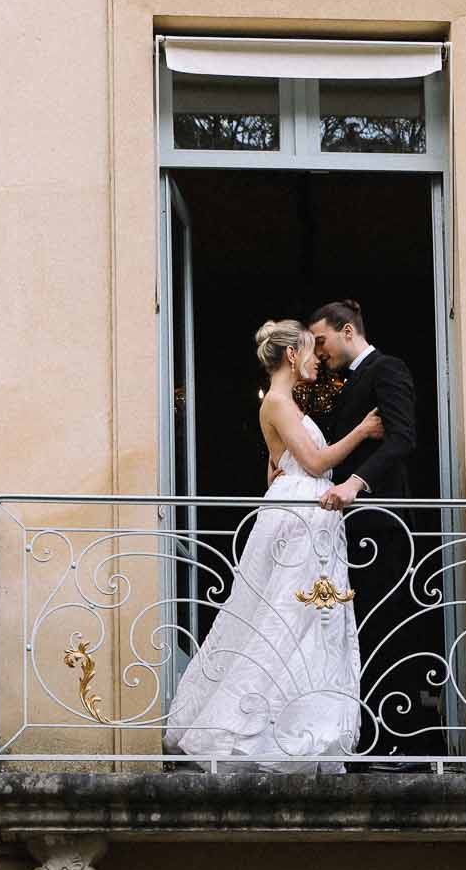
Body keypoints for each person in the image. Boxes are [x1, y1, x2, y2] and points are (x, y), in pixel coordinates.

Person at [163, 319, 385, 772]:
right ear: (290, 355)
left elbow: (274, 469)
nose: (315, 361)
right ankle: (258, 728)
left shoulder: (279, 404)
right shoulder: (281, 401)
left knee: (298, 615)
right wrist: (362, 432)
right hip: (304, 514)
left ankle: (297, 725)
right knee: (290, 614)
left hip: (302, 509)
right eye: (308, 351)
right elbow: (316, 460)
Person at [306, 299, 427, 765]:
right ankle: (364, 735)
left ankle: (392, 743)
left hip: (382, 524)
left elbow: (402, 437)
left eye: (321, 341)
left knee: (385, 627)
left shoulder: (387, 368)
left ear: (347, 330)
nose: (319, 353)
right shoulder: (350, 380)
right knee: (357, 629)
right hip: (355, 527)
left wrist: (358, 481)